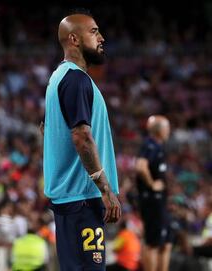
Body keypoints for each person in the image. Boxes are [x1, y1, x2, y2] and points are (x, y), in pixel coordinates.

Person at [42, 10, 121, 271]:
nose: (102, 38)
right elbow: (82, 136)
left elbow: (50, 130)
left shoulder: (59, 78)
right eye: (94, 31)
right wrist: (105, 188)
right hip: (82, 198)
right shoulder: (76, 80)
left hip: (74, 199)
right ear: (74, 39)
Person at [135, 115, 172, 271]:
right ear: (159, 130)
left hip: (160, 201)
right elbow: (140, 166)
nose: (169, 131)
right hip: (152, 200)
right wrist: (152, 184)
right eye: (167, 127)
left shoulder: (158, 146)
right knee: (152, 243)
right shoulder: (150, 145)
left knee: (167, 242)